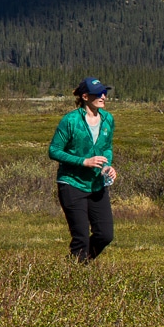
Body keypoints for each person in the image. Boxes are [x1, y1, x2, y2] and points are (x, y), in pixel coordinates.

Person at [48, 77, 117, 262]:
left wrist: (107, 166)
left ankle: (77, 266)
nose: (103, 97)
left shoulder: (108, 119)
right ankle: (74, 276)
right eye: (99, 94)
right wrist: (83, 162)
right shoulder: (70, 121)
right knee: (81, 239)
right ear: (85, 96)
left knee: (105, 234)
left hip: (96, 185)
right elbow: (53, 151)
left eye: (105, 93)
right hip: (71, 184)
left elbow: (107, 148)